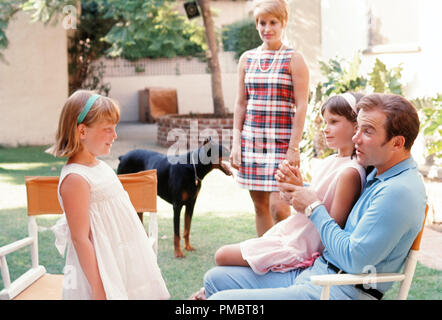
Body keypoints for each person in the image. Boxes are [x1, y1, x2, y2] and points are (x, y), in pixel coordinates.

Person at [203, 93, 427, 300]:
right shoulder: (380, 173)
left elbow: (355, 260)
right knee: (215, 279)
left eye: (367, 131)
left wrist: (313, 207)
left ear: (397, 143)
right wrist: (301, 189)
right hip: (317, 273)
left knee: (222, 300)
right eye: (357, 128)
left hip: (339, 290)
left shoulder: (398, 192)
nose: (356, 139)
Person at [215, 93, 366, 275]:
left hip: (302, 245)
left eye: (334, 122)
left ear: (356, 127)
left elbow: (331, 227)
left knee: (222, 255)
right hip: (291, 232)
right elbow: (311, 203)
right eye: (325, 122)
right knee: (224, 256)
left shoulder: (350, 172)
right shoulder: (330, 161)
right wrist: (294, 188)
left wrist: (303, 195)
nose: (325, 129)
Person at [50, 90, 169, 300]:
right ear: (82, 131)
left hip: (121, 258)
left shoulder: (100, 166)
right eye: (107, 129)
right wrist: (99, 288)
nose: (114, 136)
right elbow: (80, 240)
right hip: (101, 270)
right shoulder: (76, 179)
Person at [230, 0, 310, 236]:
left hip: (282, 144)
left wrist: (294, 148)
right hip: (252, 142)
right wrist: (236, 143)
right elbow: (240, 103)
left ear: (283, 23)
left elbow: (302, 105)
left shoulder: (294, 59)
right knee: (260, 206)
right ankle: (265, 261)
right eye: (262, 23)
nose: (267, 28)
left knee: (280, 208)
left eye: (273, 22)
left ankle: (284, 255)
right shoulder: (247, 59)